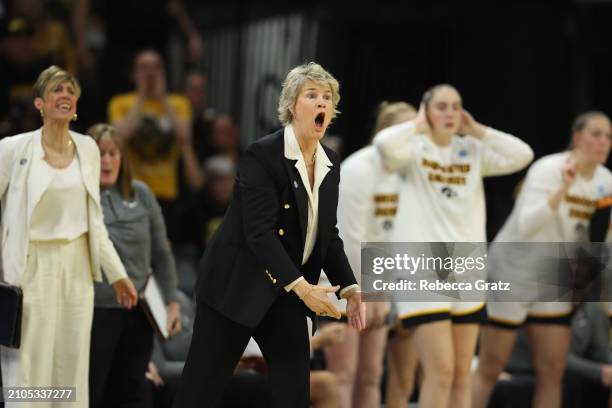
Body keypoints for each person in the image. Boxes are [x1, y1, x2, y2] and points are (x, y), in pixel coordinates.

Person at [173, 62, 366, 408]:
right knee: (198, 393)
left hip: (286, 292)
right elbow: (258, 233)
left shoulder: (331, 163)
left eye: (327, 97)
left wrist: (350, 288)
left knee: (294, 394)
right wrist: (306, 290)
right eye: (312, 96)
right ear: (293, 105)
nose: (322, 103)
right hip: (236, 287)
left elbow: (328, 235)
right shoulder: (262, 155)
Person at [373, 84, 534, 408]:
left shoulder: (472, 150)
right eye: (441, 106)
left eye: (455, 106)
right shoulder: (413, 150)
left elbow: (523, 155)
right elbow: (383, 144)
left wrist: (478, 130)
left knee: (462, 374)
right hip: (421, 273)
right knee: (441, 371)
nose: (450, 113)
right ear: (426, 110)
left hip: (467, 270)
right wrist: (418, 124)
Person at [0, 65, 137, 408]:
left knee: (70, 361)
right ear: (39, 104)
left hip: (77, 268)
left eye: (70, 91)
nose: (65, 96)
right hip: (30, 267)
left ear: (75, 106)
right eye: (56, 90)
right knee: (28, 364)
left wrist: (118, 274)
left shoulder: (89, 148)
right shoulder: (12, 149)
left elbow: (95, 221)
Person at [472, 111, 612, 408]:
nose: (603, 142)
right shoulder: (548, 169)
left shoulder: (606, 182)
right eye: (596, 134)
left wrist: (582, 285)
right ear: (577, 138)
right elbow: (527, 224)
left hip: (555, 277)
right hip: (514, 271)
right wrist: (563, 188)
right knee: (491, 367)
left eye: (608, 136)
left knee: (552, 372)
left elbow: (596, 241)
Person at [321, 101, 416, 408]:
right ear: (385, 133)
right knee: (344, 373)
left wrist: (385, 294)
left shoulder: (407, 175)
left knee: (372, 374)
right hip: (342, 282)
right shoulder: (359, 170)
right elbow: (349, 240)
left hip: (377, 284)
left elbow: (400, 241)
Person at [86, 123, 182, 407]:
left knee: (133, 391)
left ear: (122, 157)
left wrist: (173, 302)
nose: (106, 160)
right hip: (95, 311)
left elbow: (162, 254)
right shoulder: (78, 196)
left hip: (139, 312)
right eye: (100, 153)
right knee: (92, 390)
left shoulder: (141, 194)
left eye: (113, 153)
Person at [108, 49, 205, 243]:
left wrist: (163, 100)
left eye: (155, 67)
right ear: (134, 74)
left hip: (166, 194)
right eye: (143, 67)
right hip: (131, 191)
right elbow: (119, 137)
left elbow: (185, 137)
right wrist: (142, 97)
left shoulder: (178, 103)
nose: (150, 73)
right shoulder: (120, 102)